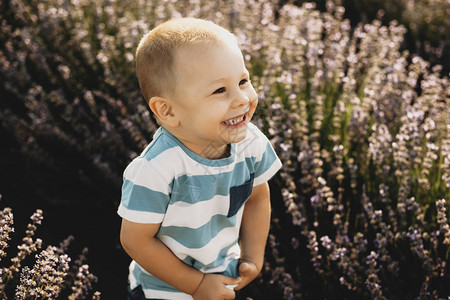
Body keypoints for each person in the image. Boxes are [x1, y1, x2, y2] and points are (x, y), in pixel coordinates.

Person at [118, 17, 282, 300]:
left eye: (243, 81)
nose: (242, 98)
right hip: (164, 291)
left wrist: (253, 256)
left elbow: (257, 197)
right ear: (168, 111)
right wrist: (196, 285)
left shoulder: (251, 144)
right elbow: (135, 241)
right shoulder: (157, 170)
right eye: (220, 90)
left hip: (224, 276)